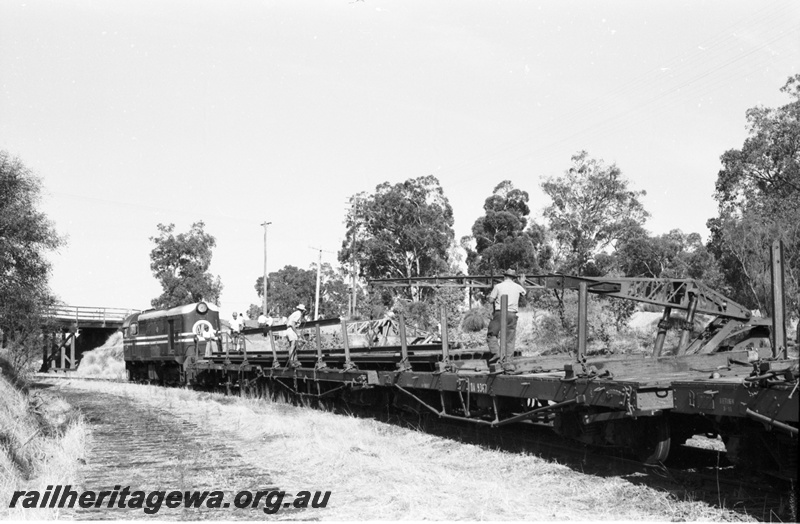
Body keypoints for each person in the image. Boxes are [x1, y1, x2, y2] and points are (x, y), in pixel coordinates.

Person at [486, 268, 527, 362]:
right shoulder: (517, 286)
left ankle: (497, 353)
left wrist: (491, 295)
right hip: (512, 314)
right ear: (514, 278)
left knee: (491, 334)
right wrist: (522, 283)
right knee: (510, 338)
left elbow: (491, 300)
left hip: (499, 313)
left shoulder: (498, 286)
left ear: (504, 277)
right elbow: (524, 293)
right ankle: (508, 361)